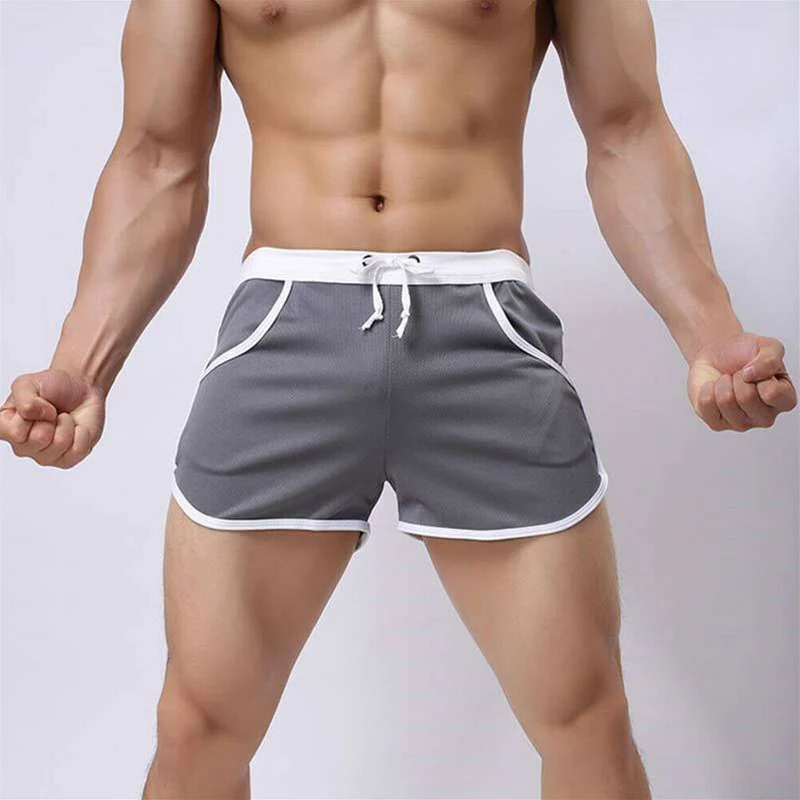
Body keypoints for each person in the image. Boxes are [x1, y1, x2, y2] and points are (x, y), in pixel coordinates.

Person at [1, 0, 796, 797]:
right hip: (286, 325)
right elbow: (157, 156)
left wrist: (708, 334)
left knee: (588, 722)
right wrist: (83, 365)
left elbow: (626, 129)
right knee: (199, 727)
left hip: (483, 327)